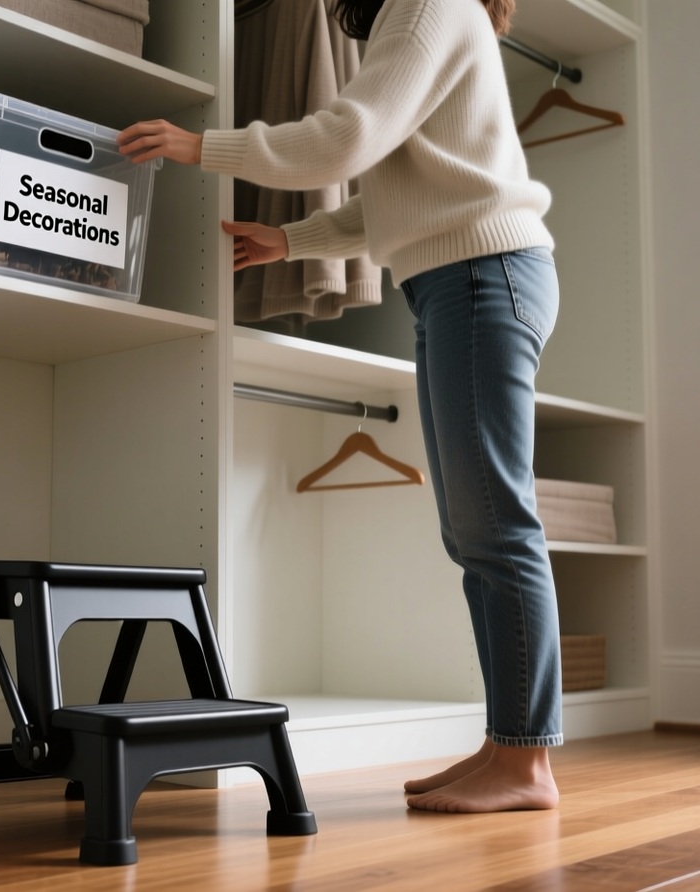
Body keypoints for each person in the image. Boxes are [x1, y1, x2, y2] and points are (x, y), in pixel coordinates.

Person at [117, 0, 562, 814]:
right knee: (474, 533)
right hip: (459, 280)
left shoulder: (430, 4)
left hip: (480, 277)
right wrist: (294, 243)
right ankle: (509, 747)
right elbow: (398, 190)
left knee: (497, 527)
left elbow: (344, 138)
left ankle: (526, 764)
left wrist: (199, 144)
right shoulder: (419, 13)